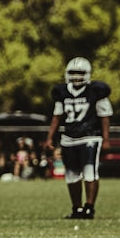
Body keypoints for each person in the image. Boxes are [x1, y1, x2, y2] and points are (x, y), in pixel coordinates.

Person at [44, 57, 113, 220]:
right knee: (71, 175)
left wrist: (106, 139)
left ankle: (89, 207)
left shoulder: (96, 91)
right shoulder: (62, 92)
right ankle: (77, 208)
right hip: (69, 136)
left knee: (90, 172)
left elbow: (104, 116)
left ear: (87, 74)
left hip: (90, 136)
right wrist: (49, 138)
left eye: (79, 73)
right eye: (73, 73)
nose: (76, 76)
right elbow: (57, 116)